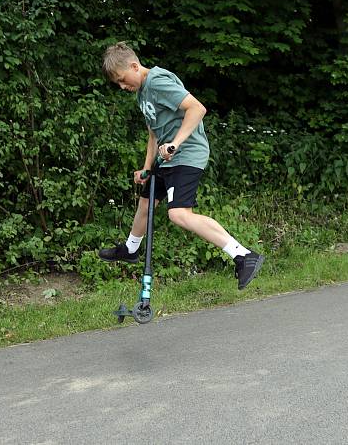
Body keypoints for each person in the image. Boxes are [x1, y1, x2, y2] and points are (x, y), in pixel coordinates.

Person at [99, 42, 264, 290]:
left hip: (186, 154)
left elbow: (197, 108)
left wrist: (175, 143)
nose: (122, 86)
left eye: (123, 79)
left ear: (134, 66)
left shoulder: (157, 82)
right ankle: (131, 249)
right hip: (166, 158)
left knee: (178, 214)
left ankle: (243, 255)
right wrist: (146, 169)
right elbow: (154, 134)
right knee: (146, 203)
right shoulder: (142, 93)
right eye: (118, 84)